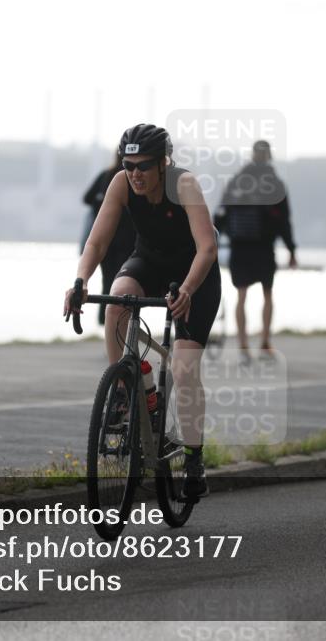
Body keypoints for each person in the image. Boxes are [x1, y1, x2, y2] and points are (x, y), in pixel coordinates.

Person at [63, 124, 220, 500]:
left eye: (144, 166)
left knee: (183, 367)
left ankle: (195, 459)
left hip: (194, 273)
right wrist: (81, 282)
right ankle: (128, 389)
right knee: (118, 299)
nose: (135, 173)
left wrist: (186, 290)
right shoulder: (120, 183)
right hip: (149, 261)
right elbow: (97, 241)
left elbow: (208, 247)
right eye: (128, 164)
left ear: (164, 164)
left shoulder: (184, 185)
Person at [214, 140, 297, 362]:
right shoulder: (275, 184)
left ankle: (243, 347)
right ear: (269, 156)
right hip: (263, 247)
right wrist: (291, 250)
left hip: (239, 247)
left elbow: (221, 214)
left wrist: (212, 242)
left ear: (252, 155)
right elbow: (284, 221)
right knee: (267, 294)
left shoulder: (237, 180)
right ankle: (264, 343)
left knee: (241, 295)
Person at [81, 152, 137, 325]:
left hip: (112, 241)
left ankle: (107, 323)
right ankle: (116, 323)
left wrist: (99, 203)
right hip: (125, 240)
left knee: (110, 281)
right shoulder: (127, 178)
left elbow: (87, 198)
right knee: (124, 283)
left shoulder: (107, 175)